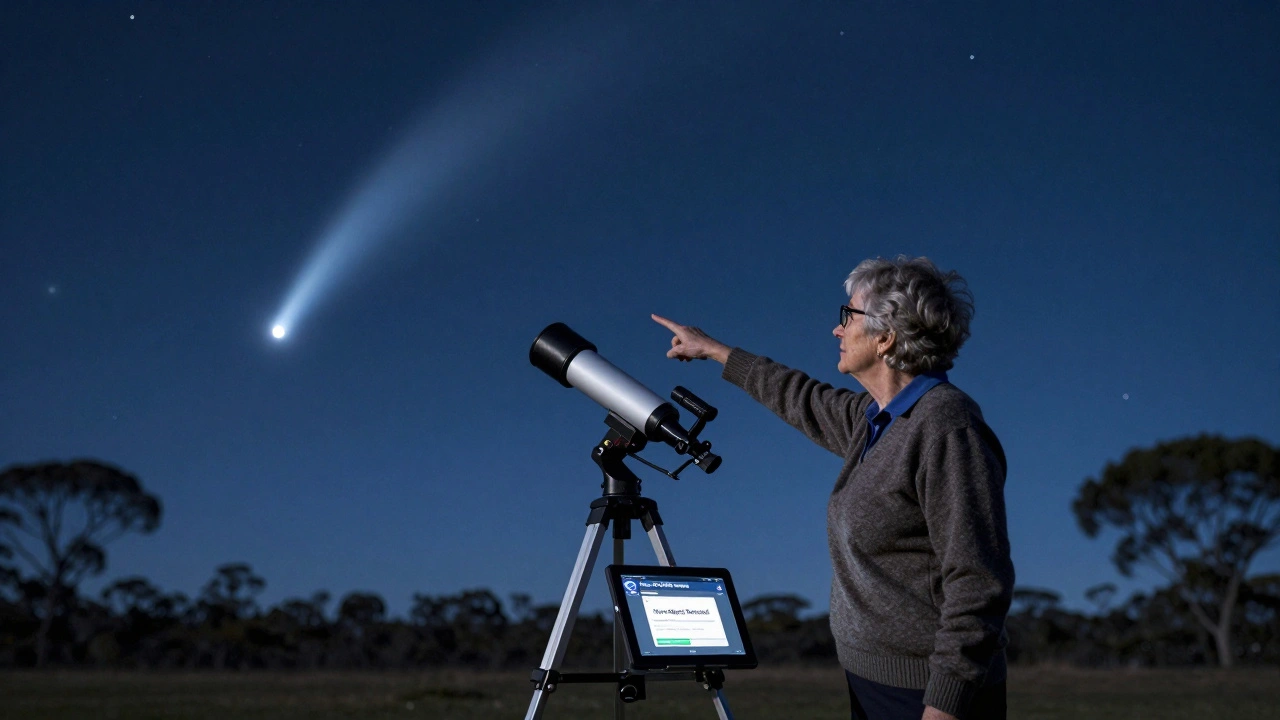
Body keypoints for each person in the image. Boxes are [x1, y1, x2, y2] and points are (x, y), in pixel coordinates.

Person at [652, 256, 1014, 720]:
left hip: (928, 695)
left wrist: (944, 704)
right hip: (871, 681)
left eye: (848, 316)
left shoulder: (945, 425)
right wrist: (714, 350)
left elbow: (978, 582)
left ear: (886, 336)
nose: (836, 329)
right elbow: (799, 395)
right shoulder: (876, 421)